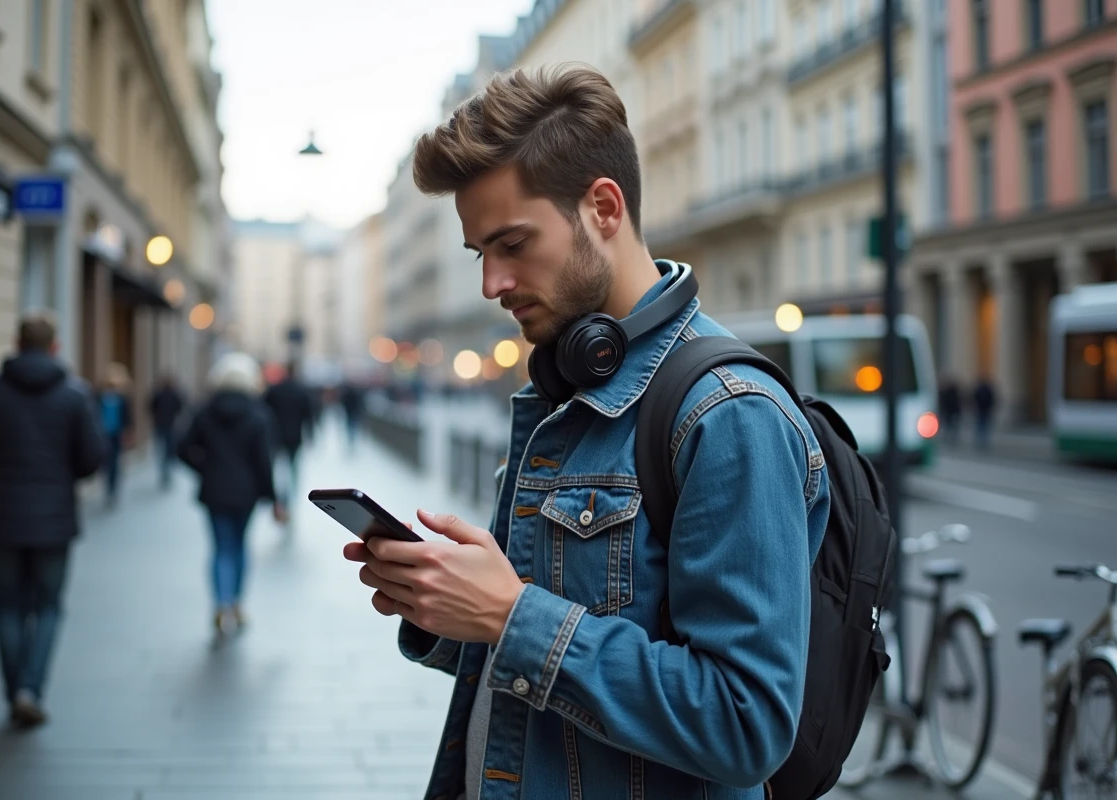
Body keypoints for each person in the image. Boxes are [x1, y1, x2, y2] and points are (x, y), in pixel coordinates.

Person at [344, 64, 830, 800]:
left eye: (512, 244)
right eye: (482, 254)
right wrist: (450, 607)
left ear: (604, 207)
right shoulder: (573, 390)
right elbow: (540, 663)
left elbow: (745, 723)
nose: (492, 284)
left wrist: (510, 615)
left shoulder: (729, 412)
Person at [0, 311, 106, 728]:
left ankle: (14, 691)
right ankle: (30, 688)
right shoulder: (74, 395)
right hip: (54, 518)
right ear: (55, 347)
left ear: (16, 344)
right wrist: (62, 477)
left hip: (2, 515)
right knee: (49, 607)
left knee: (7, 606)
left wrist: (2, 472)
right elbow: (93, 457)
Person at [176, 352, 287, 636]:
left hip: (214, 491)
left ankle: (220, 603)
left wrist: (204, 469)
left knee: (220, 547)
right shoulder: (258, 414)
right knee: (239, 545)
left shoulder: (205, 411)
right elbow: (265, 461)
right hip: (246, 493)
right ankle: (236, 604)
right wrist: (274, 498)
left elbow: (182, 448)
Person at [262, 362, 315, 507]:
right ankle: (291, 493)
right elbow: (308, 415)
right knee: (292, 466)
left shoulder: (274, 390)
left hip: (275, 435)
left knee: (276, 466)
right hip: (294, 435)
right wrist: (311, 435)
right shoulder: (301, 391)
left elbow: (263, 410)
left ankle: (279, 493)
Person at [95, 362, 133, 507]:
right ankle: (107, 486)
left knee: (115, 462)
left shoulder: (122, 397)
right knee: (106, 462)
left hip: (116, 433)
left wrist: (128, 431)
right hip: (103, 433)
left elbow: (127, 416)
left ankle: (113, 489)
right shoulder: (99, 395)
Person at [149, 373, 186, 489]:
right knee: (168, 448)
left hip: (160, 425)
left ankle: (164, 469)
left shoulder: (158, 394)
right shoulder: (174, 394)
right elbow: (181, 406)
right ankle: (167, 468)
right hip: (170, 425)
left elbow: (151, 407)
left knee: (162, 447)